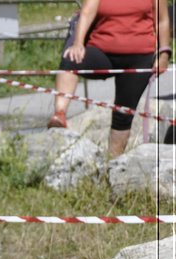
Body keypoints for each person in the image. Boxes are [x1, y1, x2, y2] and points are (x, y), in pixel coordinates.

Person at [48, 0, 170, 157]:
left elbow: (162, 20)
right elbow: (86, 13)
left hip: (139, 57)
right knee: (70, 59)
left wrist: (164, 53)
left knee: (123, 115)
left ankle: (112, 162)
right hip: (102, 50)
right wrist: (78, 43)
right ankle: (60, 114)